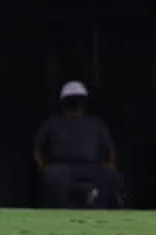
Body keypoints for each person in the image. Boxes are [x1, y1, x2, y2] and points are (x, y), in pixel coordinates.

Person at [34, 80, 121, 209]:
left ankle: (98, 210)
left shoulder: (95, 123)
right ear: (64, 102)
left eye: (78, 99)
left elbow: (110, 148)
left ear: (83, 102)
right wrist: (43, 167)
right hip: (62, 167)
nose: (75, 103)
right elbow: (37, 147)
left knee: (111, 175)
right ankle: (64, 211)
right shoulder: (52, 123)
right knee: (52, 176)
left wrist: (110, 165)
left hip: (91, 167)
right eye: (71, 99)